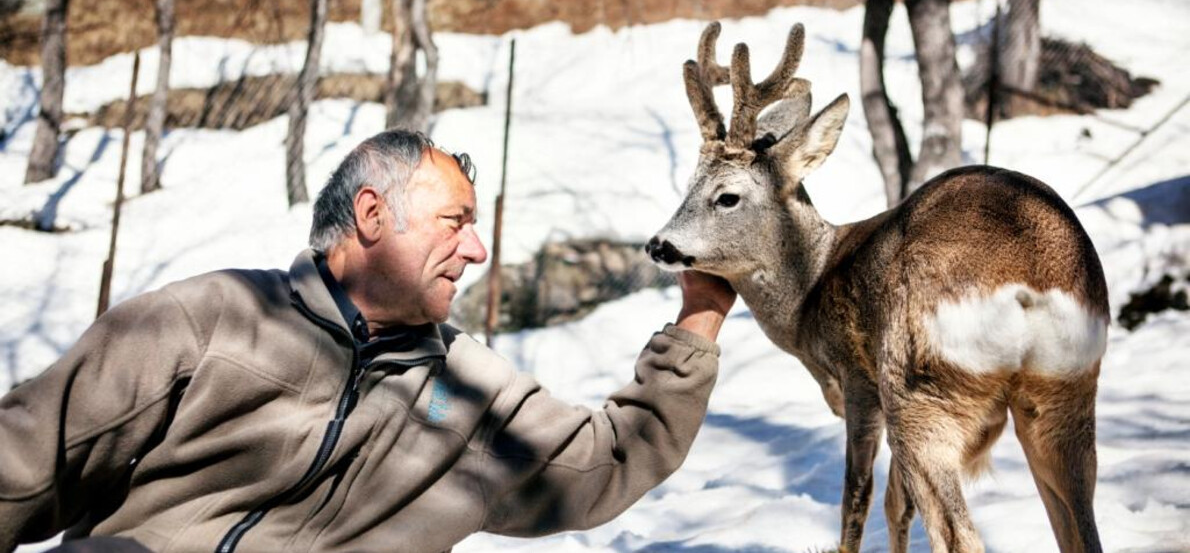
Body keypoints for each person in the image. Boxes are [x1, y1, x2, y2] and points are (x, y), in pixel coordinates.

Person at [0, 129, 736, 552]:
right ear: (373, 214)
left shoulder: (472, 392)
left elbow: (608, 458)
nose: (477, 249)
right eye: (457, 221)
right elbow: (20, 464)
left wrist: (701, 312)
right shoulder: (209, 318)